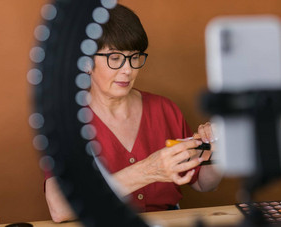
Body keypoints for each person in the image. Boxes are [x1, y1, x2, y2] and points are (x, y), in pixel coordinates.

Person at [45, 4, 222, 223]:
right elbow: (60, 208)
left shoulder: (164, 109)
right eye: (115, 58)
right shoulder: (66, 121)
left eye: (134, 57)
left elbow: (204, 183)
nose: (128, 69)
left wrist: (217, 150)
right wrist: (148, 170)